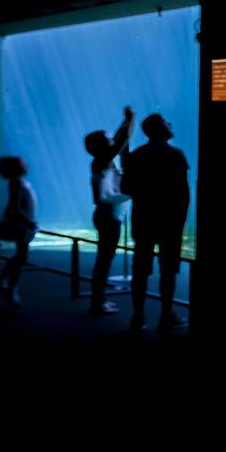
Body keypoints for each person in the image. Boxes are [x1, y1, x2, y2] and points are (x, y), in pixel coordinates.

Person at [121, 113, 190, 333]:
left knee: (140, 270)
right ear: (161, 129)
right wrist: (180, 221)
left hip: (143, 219)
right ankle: (166, 315)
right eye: (166, 122)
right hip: (170, 222)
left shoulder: (136, 156)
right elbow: (183, 194)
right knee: (168, 272)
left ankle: (138, 316)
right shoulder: (176, 155)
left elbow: (126, 189)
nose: (170, 123)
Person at [83, 106, 134, 317]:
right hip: (109, 217)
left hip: (108, 216)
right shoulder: (101, 160)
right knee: (104, 261)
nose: (111, 139)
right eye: (107, 138)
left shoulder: (103, 160)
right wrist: (131, 120)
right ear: (102, 146)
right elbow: (121, 141)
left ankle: (99, 301)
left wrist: (124, 122)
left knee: (104, 260)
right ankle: (97, 304)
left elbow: (119, 140)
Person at [0, 156, 38, 307]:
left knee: (21, 256)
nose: (26, 164)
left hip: (22, 223)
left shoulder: (17, 182)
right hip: (21, 225)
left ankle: (4, 282)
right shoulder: (16, 183)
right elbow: (15, 206)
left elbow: (13, 205)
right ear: (16, 168)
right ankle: (9, 285)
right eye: (22, 163)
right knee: (21, 256)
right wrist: (28, 221)